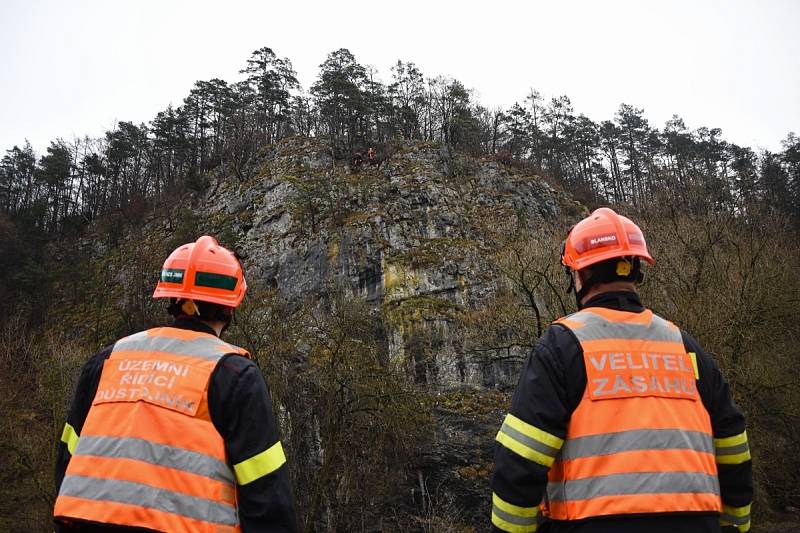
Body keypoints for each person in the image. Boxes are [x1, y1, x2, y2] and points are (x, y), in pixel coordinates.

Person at [490, 208, 752, 533]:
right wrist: (734, 525)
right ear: (636, 270)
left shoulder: (561, 347)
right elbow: (734, 447)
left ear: (579, 276)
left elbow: (520, 459)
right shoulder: (685, 347)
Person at [53, 235, 297, 532]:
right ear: (230, 307)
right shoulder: (234, 375)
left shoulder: (108, 360)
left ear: (171, 299)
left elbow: (68, 456)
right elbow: (267, 496)